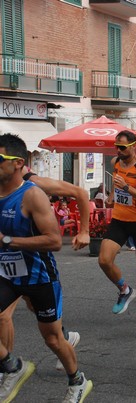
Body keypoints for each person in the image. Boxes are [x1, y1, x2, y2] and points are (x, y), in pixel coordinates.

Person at [0, 134, 92, 402]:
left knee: (52, 339)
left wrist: (7, 240)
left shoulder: (33, 195)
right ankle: (12, 367)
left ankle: (77, 381)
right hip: (6, 273)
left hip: (39, 276)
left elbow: (53, 241)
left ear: (18, 163)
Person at [98, 130, 136, 318]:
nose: (118, 150)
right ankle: (125, 290)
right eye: (116, 146)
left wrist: (126, 188)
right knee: (104, 260)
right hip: (119, 219)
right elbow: (117, 185)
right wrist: (113, 196)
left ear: (133, 146)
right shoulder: (115, 162)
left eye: (122, 147)